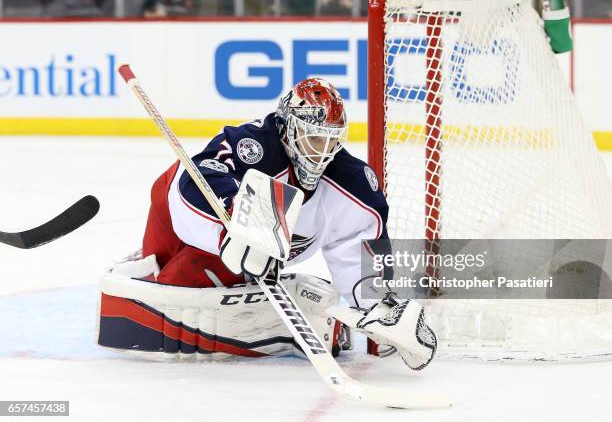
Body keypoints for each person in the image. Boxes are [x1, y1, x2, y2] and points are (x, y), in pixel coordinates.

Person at [102, 78, 438, 369]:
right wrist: (235, 221)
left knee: (178, 289)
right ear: (289, 129)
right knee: (153, 274)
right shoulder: (256, 146)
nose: (321, 151)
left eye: (329, 140)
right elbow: (197, 178)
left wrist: (382, 307)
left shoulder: (353, 185)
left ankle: (167, 273)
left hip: (229, 257)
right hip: (184, 211)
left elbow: (360, 252)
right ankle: (148, 263)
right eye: (312, 138)